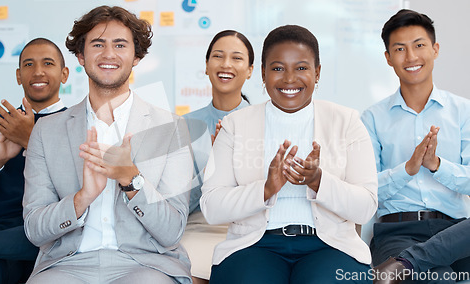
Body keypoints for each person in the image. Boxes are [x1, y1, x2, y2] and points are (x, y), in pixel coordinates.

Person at [22, 6, 193, 284]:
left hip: (145, 265)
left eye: (120, 45)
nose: (109, 54)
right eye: (98, 44)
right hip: (67, 265)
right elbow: (34, 229)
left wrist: (131, 180)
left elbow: (172, 230)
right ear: (80, 55)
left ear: (136, 56)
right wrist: (82, 198)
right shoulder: (46, 131)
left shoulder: (171, 128)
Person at [200, 24, 378, 284]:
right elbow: (211, 207)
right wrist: (266, 189)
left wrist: (319, 182)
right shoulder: (234, 124)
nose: (289, 78)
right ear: (263, 73)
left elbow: (366, 207)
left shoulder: (347, 122)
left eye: (302, 68)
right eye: (278, 68)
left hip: (331, 246)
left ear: (317, 73)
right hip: (254, 245)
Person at [361, 9, 470, 284]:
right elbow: (365, 191)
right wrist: (407, 170)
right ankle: (408, 260)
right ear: (388, 57)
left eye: (419, 46)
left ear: (435, 49)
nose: (411, 57)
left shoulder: (463, 111)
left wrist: (437, 166)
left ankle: (409, 262)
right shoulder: (372, 118)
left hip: (456, 231)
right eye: (400, 49)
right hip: (398, 232)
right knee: (440, 279)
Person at [0, 38, 69, 283]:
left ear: (64, 74)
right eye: (28, 64)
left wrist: (30, 141)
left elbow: (79, 189)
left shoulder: (80, 125)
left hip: (57, 229)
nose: (38, 72)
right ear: (18, 75)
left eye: (48, 63)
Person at [180, 30, 253, 284]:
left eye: (236, 58)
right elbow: (179, 202)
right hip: (199, 226)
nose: (226, 65)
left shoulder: (263, 121)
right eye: (218, 56)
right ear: (207, 66)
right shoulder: (186, 125)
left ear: (251, 70)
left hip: (250, 228)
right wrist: (212, 164)